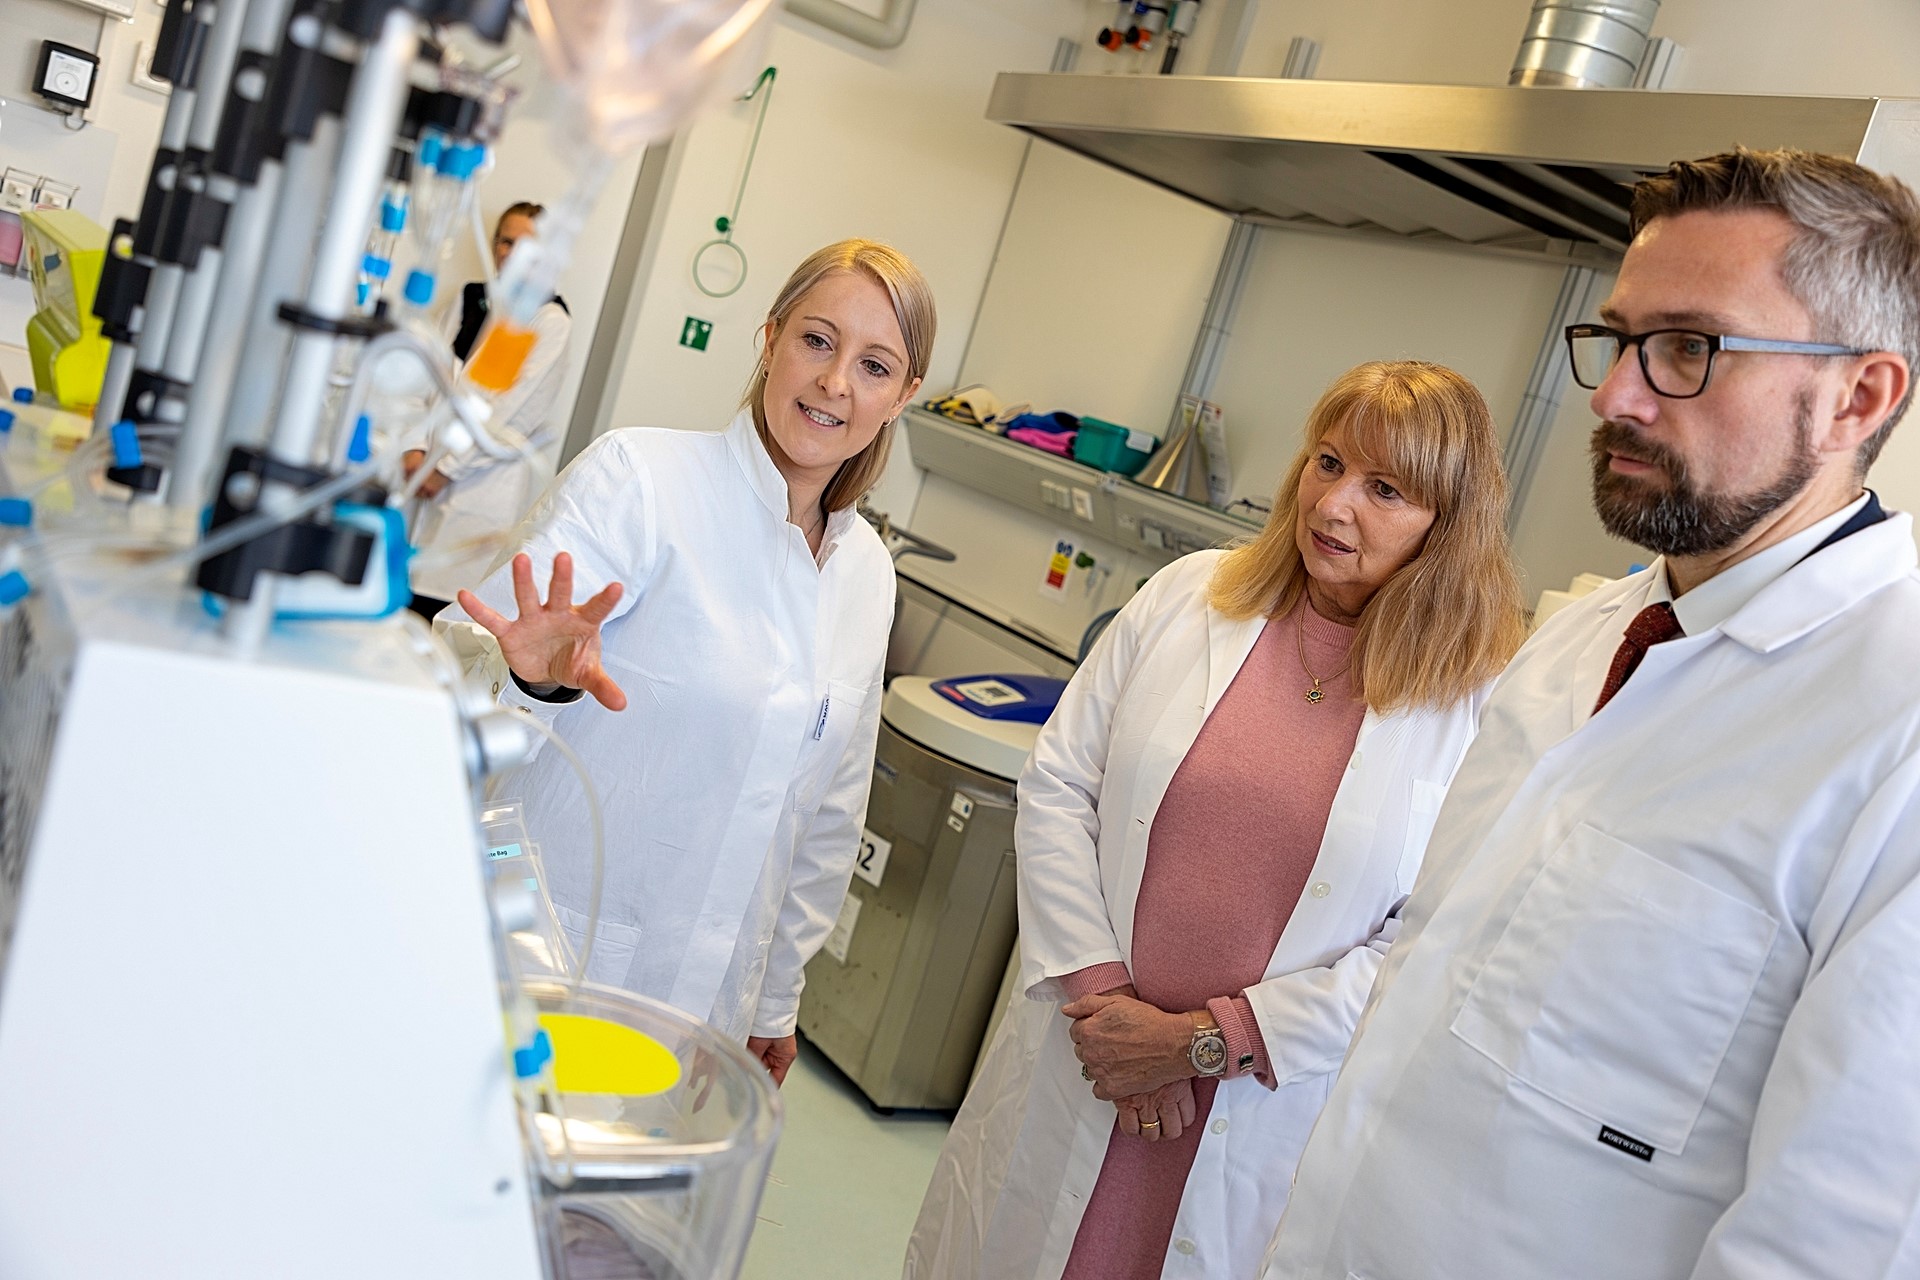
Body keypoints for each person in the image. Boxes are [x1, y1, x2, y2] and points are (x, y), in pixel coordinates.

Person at [1259, 148, 1920, 1280]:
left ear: (1858, 397)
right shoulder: (1583, 642)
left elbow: (1837, 1235)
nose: (1616, 396)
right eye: (1620, 340)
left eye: (1690, 348)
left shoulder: (1891, 729)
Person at [906, 362, 1529, 1280]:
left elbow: (1431, 944)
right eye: (1327, 463)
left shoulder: (1476, 707)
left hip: (1252, 1114)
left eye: (1385, 489)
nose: (1334, 503)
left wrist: (1205, 1042)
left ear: (1448, 525)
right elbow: (1059, 785)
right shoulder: (1192, 594)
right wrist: (1108, 1009)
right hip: (1089, 1061)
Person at [441, 239, 933, 1082]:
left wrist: (773, 999)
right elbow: (461, 667)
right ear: (770, 339)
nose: (835, 382)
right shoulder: (641, 479)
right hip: (541, 961)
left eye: (874, 365)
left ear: (903, 395)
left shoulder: (866, 573)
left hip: (709, 1003)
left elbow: (827, 810)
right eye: (817, 341)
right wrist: (530, 679)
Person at [404, 202, 574, 619]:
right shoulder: (469, 300)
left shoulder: (549, 320)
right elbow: (421, 378)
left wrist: (445, 470)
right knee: (394, 598)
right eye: (505, 241)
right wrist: (414, 447)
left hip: (478, 489)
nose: (512, 253)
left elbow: (510, 413)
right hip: (416, 479)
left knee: (443, 612)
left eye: (527, 245)